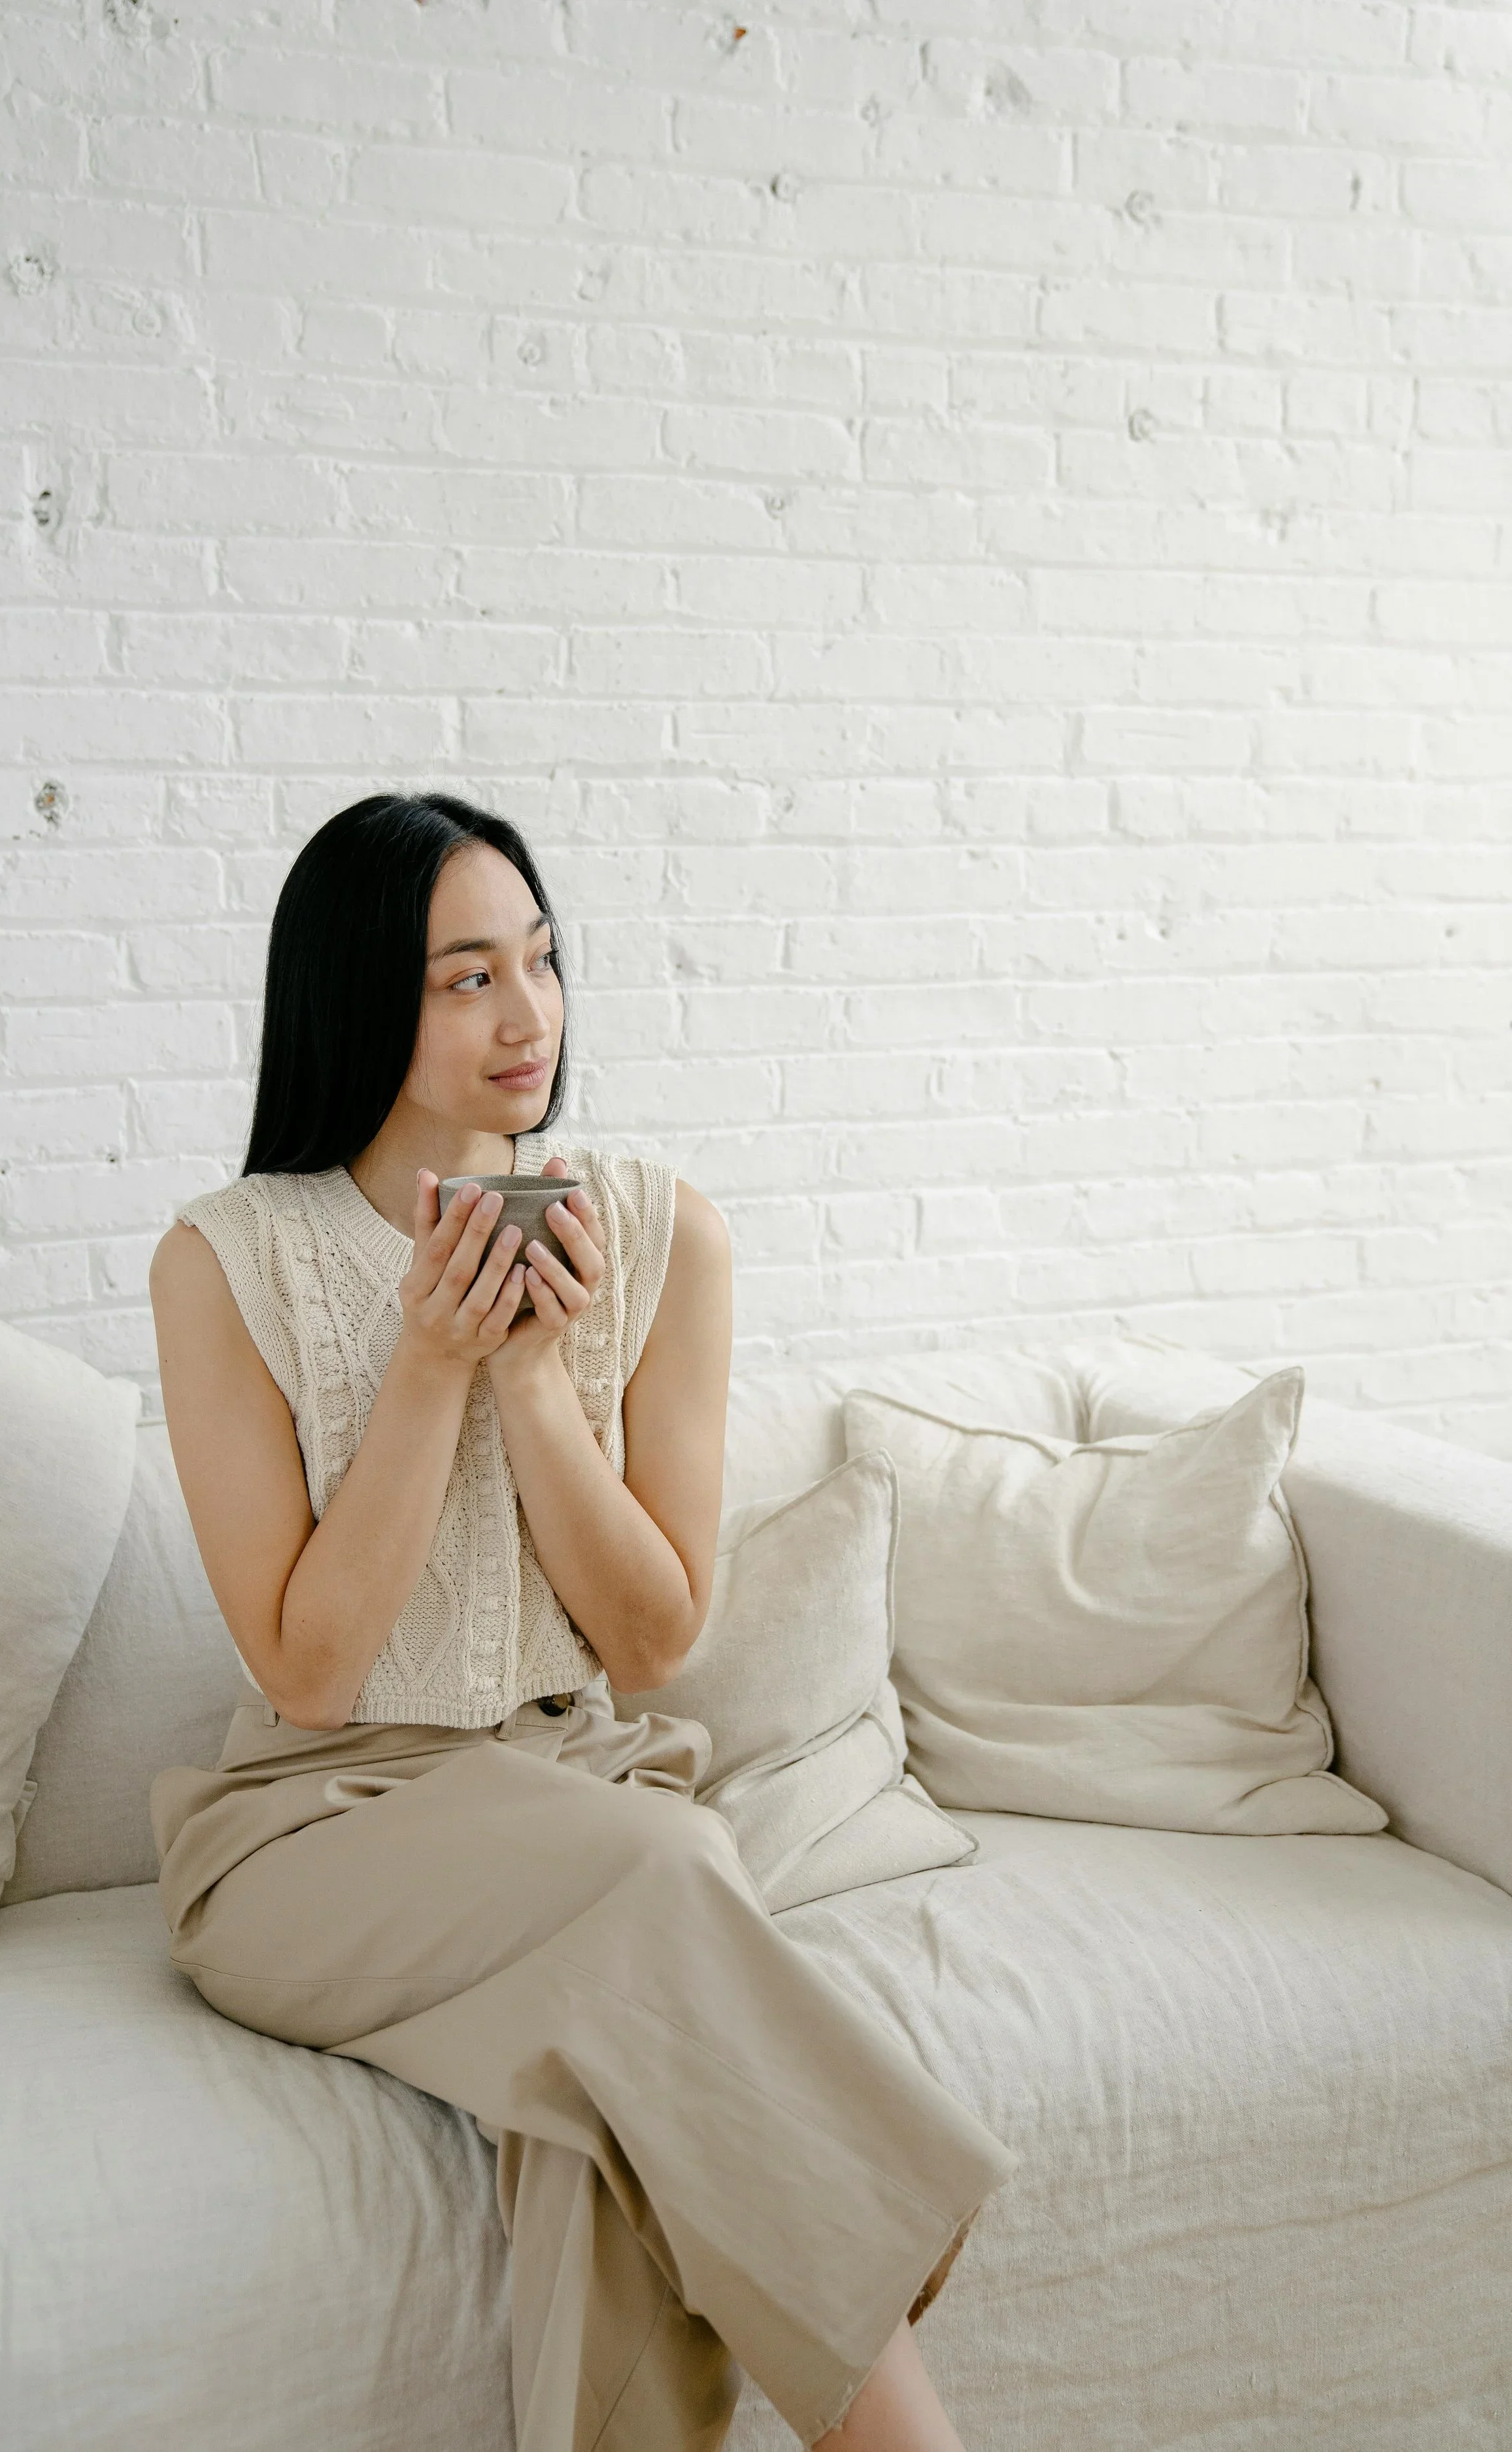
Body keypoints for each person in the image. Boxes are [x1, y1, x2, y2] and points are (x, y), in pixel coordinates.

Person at [147, 791, 1016, 2452]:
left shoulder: (662, 1236)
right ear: (356, 999)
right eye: (464, 976)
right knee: (668, 1880)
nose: (527, 1015)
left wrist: (538, 1384)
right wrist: (426, 1371)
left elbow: (650, 1644)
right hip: (313, 1834)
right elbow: (310, 1673)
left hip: (577, 1789)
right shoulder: (226, 1262)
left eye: (540, 960)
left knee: (595, 2132)